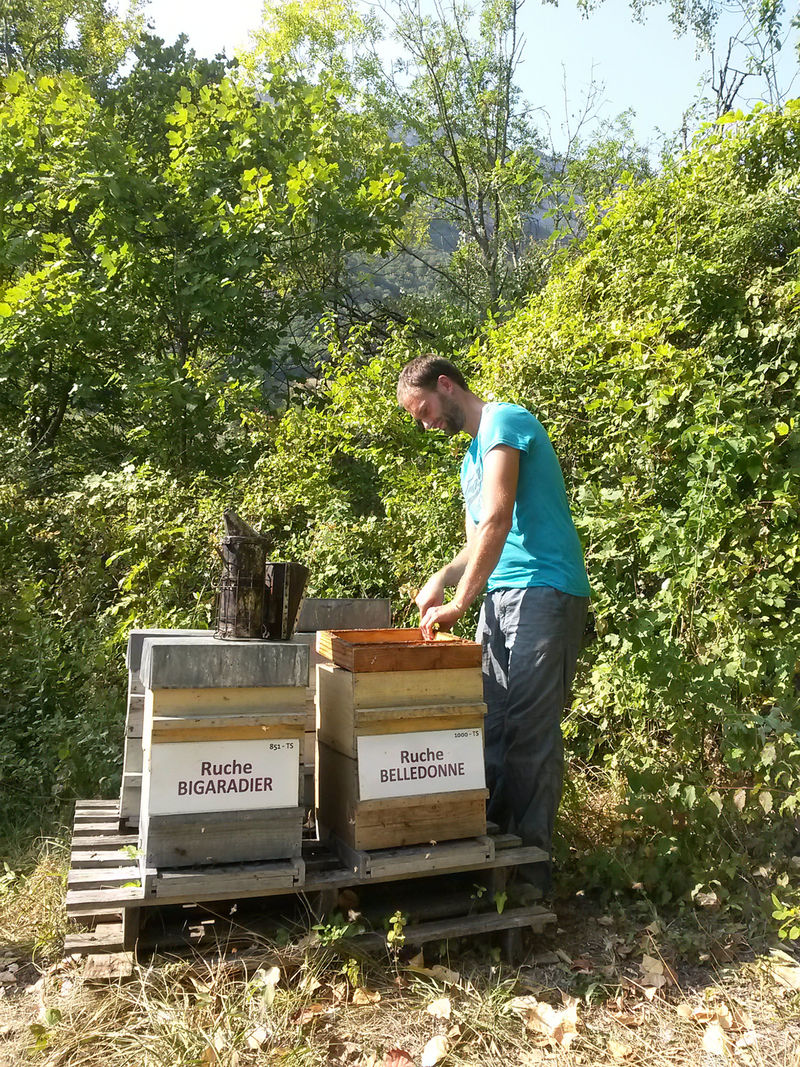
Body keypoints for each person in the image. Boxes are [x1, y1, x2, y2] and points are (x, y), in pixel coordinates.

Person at [397, 355, 590, 897]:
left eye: (425, 411)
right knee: (489, 727)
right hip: (500, 596)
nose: (426, 422)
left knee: (529, 733)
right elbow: (475, 540)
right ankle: (495, 861)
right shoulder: (468, 463)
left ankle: (529, 873)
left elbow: (500, 517)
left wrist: (459, 602)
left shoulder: (505, 422)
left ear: (445, 385)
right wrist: (441, 577)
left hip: (545, 590)